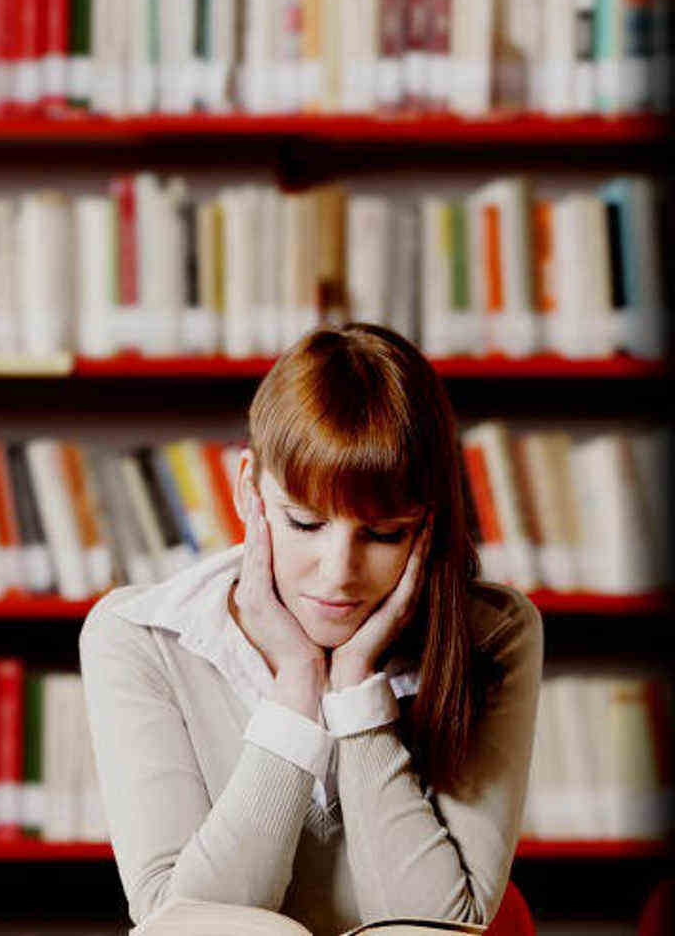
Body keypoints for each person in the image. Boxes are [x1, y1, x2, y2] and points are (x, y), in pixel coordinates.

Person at [80, 324, 542, 932]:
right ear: (249, 491)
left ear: (428, 525)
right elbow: (178, 922)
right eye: (304, 523)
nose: (339, 574)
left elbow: (439, 926)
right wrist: (297, 690)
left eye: (383, 534)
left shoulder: (494, 634)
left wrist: (355, 693)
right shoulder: (138, 635)